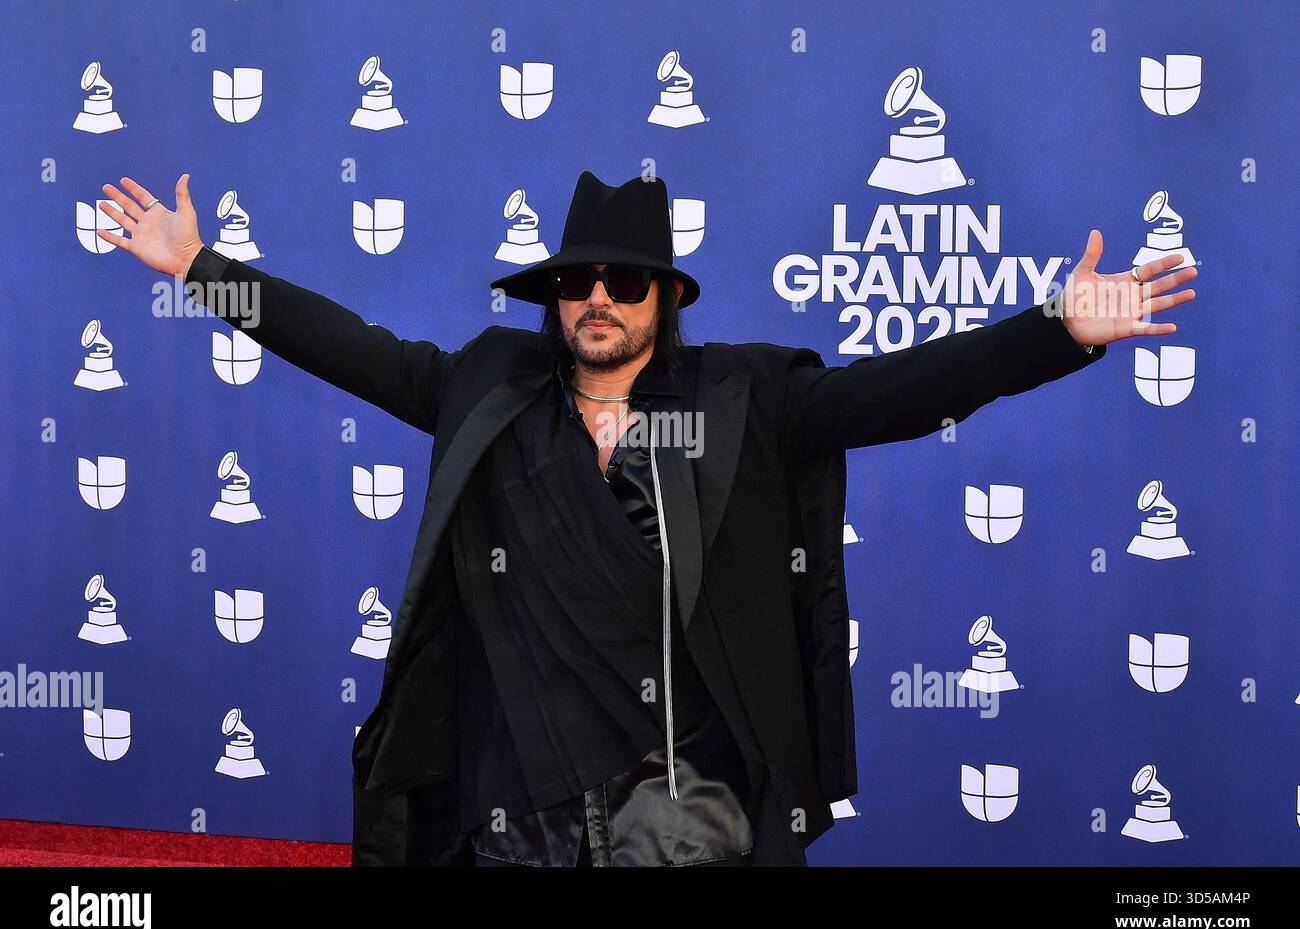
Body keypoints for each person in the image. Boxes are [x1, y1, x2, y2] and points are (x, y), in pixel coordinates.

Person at [96, 170, 1196, 866]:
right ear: (553, 295)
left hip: (683, 810)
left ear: (664, 297)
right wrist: (200, 267)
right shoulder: (488, 389)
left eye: (627, 281)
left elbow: (903, 388)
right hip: (511, 803)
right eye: (579, 280)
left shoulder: (744, 397)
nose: (599, 299)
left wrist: (1057, 329)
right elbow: (340, 346)